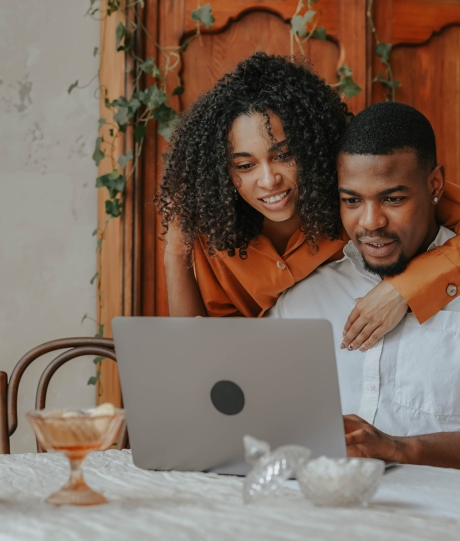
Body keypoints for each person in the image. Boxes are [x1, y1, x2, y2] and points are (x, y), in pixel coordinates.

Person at [157, 52, 460, 352]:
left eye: (284, 155)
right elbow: (201, 351)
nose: (268, 180)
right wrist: (174, 250)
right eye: (245, 165)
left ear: (311, 147)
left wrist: (404, 289)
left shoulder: (357, 200)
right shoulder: (216, 229)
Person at [266, 102, 460, 468]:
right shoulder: (300, 300)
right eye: (352, 200)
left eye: (393, 198)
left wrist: (402, 449)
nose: (370, 222)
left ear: (435, 184)